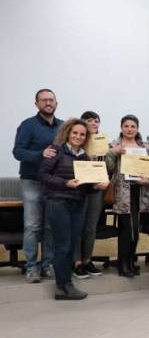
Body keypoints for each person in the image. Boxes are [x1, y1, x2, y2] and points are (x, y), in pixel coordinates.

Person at [39, 118, 109, 299]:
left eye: (82, 134)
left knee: (70, 245)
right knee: (62, 246)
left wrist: (97, 186)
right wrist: (65, 183)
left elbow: (85, 186)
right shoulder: (55, 151)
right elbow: (43, 176)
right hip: (58, 202)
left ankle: (67, 283)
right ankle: (62, 287)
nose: (78, 136)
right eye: (75, 133)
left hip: (77, 204)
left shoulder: (85, 157)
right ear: (68, 133)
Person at [13, 89, 63, 283]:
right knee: (33, 226)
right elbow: (18, 152)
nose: (48, 103)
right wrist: (39, 154)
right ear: (37, 104)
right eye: (43, 100)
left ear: (56, 103)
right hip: (32, 181)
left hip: (54, 183)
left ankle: (48, 264)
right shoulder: (27, 125)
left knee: (51, 226)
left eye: (51, 100)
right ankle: (31, 267)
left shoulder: (63, 126)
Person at [105, 115, 149, 277]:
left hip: (140, 193)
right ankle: (123, 264)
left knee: (136, 229)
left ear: (137, 128)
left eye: (133, 126)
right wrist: (113, 153)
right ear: (121, 128)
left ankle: (131, 261)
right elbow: (108, 168)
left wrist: (148, 179)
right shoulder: (114, 145)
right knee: (126, 229)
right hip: (123, 193)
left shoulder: (144, 147)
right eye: (126, 126)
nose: (129, 129)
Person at [72, 111, 106, 279]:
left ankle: (87, 260)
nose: (93, 123)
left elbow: (109, 165)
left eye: (96, 121)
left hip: (96, 189)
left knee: (91, 227)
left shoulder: (103, 142)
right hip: (79, 189)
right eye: (90, 121)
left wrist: (106, 180)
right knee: (78, 226)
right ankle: (76, 262)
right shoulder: (77, 140)